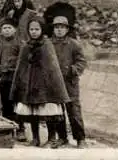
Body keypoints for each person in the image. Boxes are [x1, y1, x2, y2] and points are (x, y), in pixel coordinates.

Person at [9, 17, 71, 147]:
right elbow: (21, 66)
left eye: (37, 29)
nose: (34, 32)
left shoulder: (47, 45)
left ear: (42, 30)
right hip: (30, 86)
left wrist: (50, 85)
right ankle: (35, 138)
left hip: (45, 87)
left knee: (48, 113)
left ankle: (51, 138)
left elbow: (52, 68)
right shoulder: (26, 46)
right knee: (32, 113)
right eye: (31, 29)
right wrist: (21, 83)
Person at [50, 16, 88, 148]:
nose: (59, 30)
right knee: (58, 112)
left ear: (67, 29)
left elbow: (82, 62)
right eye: (56, 27)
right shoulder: (49, 44)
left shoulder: (73, 44)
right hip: (55, 83)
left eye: (62, 27)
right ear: (53, 29)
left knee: (74, 111)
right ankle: (62, 137)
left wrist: (72, 70)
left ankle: (80, 139)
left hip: (70, 83)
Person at [0, 18, 26, 141]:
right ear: (0, 30)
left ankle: (20, 130)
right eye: (4, 28)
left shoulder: (21, 44)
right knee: (5, 104)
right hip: (3, 78)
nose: (7, 30)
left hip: (17, 79)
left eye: (9, 28)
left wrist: (20, 78)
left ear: (14, 29)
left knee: (18, 105)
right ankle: (8, 129)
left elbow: (24, 62)